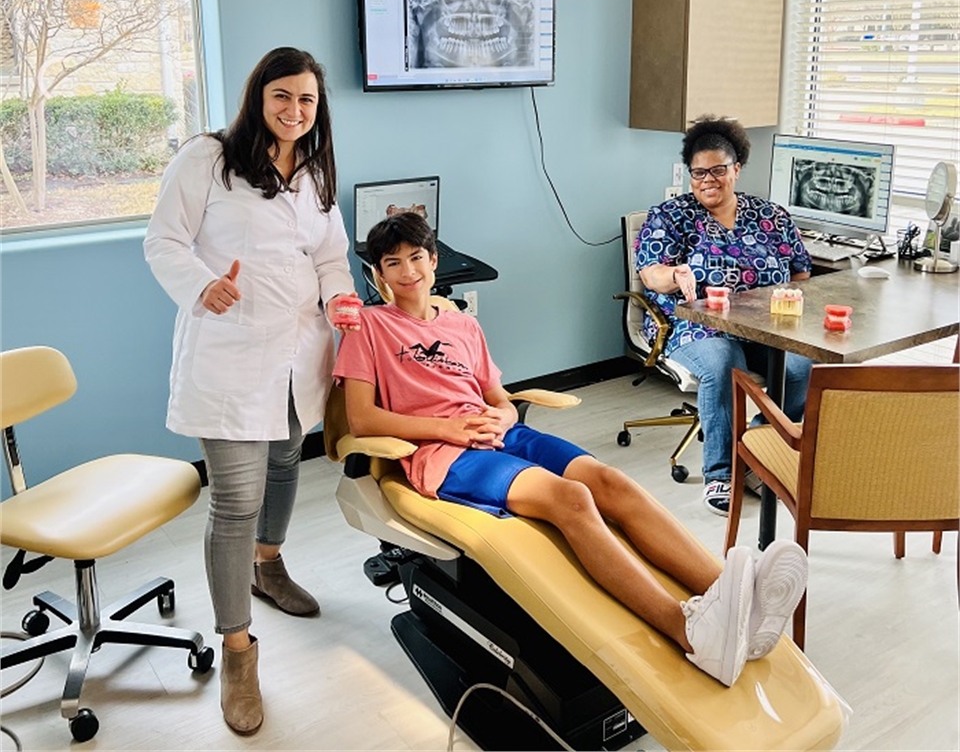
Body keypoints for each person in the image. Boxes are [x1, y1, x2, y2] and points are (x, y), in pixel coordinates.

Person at [333, 211, 809, 689]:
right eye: (392, 263)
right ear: (378, 274)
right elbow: (363, 419)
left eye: (416, 257)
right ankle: (687, 631)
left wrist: (503, 414)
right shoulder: (368, 328)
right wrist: (449, 428)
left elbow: (497, 396)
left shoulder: (462, 325)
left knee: (609, 482)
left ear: (434, 261)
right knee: (572, 500)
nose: (407, 271)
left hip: (497, 433)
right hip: (442, 453)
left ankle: (733, 598)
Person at [144, 47, 360, 735]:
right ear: (257, 98)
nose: (296, 111)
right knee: (235, 499)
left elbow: (330, 254)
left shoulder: (317, 166)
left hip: (301, 348)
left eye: (307, 100)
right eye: (282, 97)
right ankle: (239, 651)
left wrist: (344, 303)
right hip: (231, 350)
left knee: (286, 460)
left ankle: (269, 566)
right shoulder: (209, 157)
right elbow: (162, 240)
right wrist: (203, 286)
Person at [635, 116, 813, 515]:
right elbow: (651, 272)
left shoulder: (772, 216)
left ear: (736, 169)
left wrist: (791, 298)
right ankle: (721, 474)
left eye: (717, 170)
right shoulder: (670, 216)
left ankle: (755, 451)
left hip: (764, 328)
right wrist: (674, 274)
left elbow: (801, 272)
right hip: (694, 326)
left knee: (803, 368)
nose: (707, 180)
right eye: (698, 173)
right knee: (723, 363)